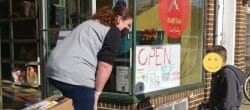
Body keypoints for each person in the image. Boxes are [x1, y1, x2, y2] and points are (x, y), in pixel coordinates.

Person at [45, 6, 133, 110]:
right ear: (118, 19)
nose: (129, 29)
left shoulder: (92, 23)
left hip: (53, 70)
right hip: (76, 75)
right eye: (128, 25)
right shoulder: (114, 31)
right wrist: (96, 94)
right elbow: (105, 66)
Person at [207, 45, 247, 110]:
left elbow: (229, 103)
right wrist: (208, 105)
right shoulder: (218, 74)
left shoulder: (227, 74)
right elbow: (219, 98)